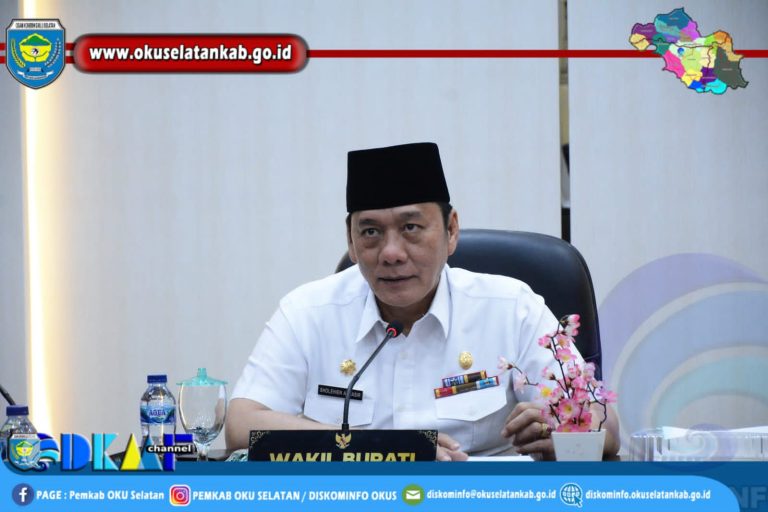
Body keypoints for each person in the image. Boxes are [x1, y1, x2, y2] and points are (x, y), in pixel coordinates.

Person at [226, 142, 619, 460]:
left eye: (411, 227)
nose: (391, 253)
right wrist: (379, 450)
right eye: (370, 232)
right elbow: (242, 425)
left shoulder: (513, 309)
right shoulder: (308, 313)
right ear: (351, 241)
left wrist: (566, 432)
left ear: (451, 231)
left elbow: (609, 427)